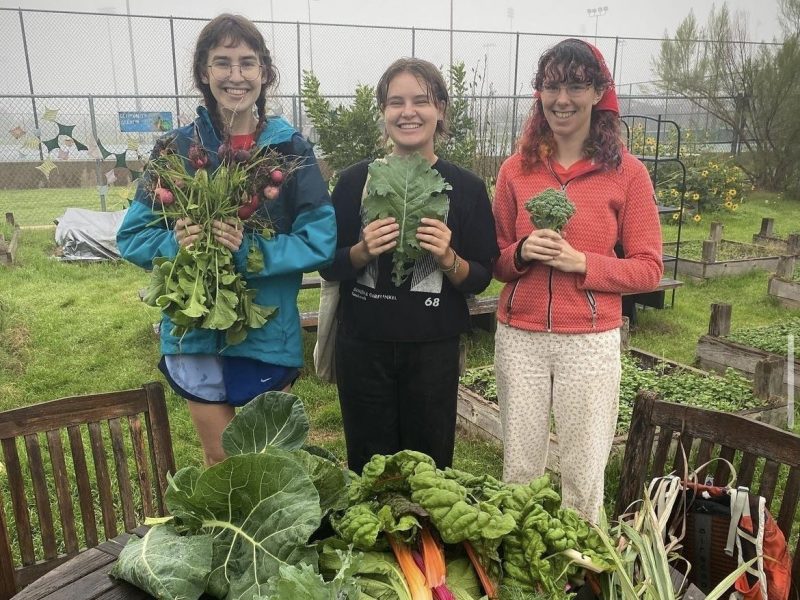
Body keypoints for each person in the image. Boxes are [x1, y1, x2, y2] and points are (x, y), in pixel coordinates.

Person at [117, 13, 335, 466]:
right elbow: (133, 235)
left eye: (247, 63)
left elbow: (320, 239)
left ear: (264, 73)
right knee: (219, 459)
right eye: (222, 63)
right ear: (204, 72)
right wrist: (177, 243)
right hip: (194, 332)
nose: (235, 76)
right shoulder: (176, 149)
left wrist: (251, 251)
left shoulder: (289, 151)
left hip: (266, 330)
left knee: (265, 463)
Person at [492, 38, 663, 522]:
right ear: (539, 94)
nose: (561, 98)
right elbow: (496, 261)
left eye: (575, 85)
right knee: (520, 469)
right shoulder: (514, 171)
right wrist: (521, 253)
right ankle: (521, 568)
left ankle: (581, 574)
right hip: (519, 337)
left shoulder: (627, 174)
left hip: (589, 343)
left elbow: (649, 268)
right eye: (551, 86)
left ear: (597, 94)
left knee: (584, 474)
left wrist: (584, 264)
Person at [320, 58, 499, 474]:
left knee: (429, 467)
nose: (408, 112)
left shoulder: (467, 187)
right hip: (363, 346)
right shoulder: (354, 181)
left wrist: (449, 259)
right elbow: (328, 265)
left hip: (433, 349)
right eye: (396, 102)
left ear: (440, 110)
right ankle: (376, 540)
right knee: (369, 466)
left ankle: (423, 541)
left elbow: (481, 275)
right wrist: (361, 251)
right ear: (383, 112)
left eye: (421, 100)